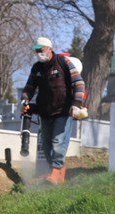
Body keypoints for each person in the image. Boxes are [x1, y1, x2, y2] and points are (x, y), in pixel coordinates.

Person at [20, 37, 87, 185]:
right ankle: (58, 174)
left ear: (49, 48)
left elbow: (79, 83)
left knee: (58, 142)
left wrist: (76, 104)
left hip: (63, 111)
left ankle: (55, 173)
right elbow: (29, 87)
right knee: (46, 145)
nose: (39, 53)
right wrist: (25, 99)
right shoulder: (36, 68)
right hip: (45, 112)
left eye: (41, 50)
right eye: (37, 50)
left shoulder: (63, 63)